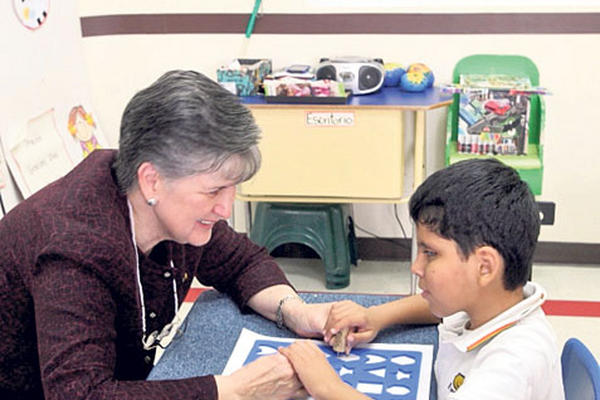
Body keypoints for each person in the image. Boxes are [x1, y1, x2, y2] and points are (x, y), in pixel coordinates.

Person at [0, 70, 331, 400]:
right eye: (214, 190)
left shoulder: (166, 209)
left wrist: (296, 313)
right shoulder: (76, 250)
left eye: (232, 188)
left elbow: (241, 262)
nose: (225, 208)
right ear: (152, 181)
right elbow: (81, 395)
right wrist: (234, 390)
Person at [280, 158, 565, 400]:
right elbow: (438, 309)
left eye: (430, 253)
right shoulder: (495, 300)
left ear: (485, 267)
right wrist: (376, 316)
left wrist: (329, 388)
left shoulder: (511, 366)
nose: (416, 267)